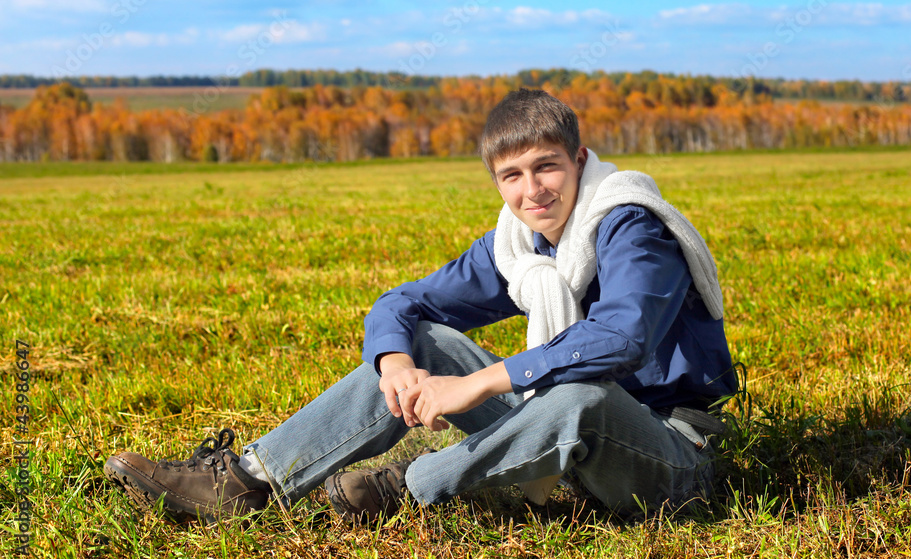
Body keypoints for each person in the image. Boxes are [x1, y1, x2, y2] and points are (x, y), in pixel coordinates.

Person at [104, 88, 738, 524]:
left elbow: (621, 337)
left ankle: (406, 487)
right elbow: (401, 304)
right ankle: (245, 482)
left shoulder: (632, 227)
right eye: (511, 175)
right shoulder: (518, 246)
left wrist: (479, 384)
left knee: (582, 397)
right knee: (426, 339)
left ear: (578, 160)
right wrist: (395, 367)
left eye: (546, 167)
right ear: (496, 181)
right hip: (566, 430)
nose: (531, 190)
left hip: (669, 453)